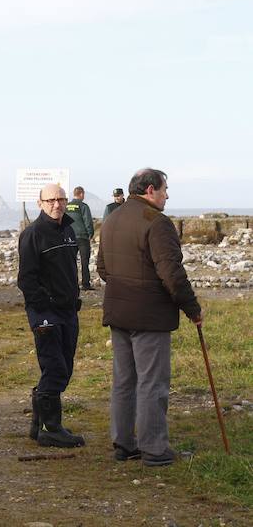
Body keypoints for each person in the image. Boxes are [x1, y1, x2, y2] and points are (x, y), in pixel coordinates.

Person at [97, 168, 202, 467]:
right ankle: (154, 450)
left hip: (119, 312)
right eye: (165, 189)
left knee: (124, 381)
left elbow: (102, 268)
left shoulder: (112, 218)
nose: (167, 196)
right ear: (151, 190)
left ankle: (124, 443)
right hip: (149, 315)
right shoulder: (157, 222)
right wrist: (193, 309)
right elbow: (171, 274)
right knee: (152, 383)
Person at [17, 183, 86, 448]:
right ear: (40, 203)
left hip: (68, 310)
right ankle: (51, 429)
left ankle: (38, 425)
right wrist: (45, 305)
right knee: (54, 367)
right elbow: (26, 279)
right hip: (45, 313)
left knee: (64, 367)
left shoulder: (68, 230)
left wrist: (72, 299)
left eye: (61, 199)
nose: (57, 204)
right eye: (51, 200)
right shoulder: (33, 234)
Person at [65, 186, 95, 291]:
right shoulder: (83, 206)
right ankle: (85, 284)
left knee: (71, 262)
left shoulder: (67, 206)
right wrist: (90, 234)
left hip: (70, 238)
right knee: (84, 262)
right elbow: (88, 221)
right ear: (81, 194)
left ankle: (72, 283)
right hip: (82, 237)